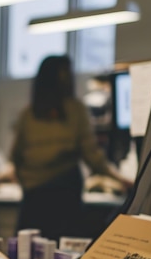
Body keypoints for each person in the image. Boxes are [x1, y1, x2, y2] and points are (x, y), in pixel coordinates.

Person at [10, 54, 127, 243]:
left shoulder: (29, 114)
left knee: (28, 257)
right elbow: (92, 157)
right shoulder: (74, 110)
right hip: (63, 199)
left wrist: (27, 184)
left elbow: (16, 156)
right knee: (60, 258)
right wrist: (123, 181)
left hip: (33, 199)